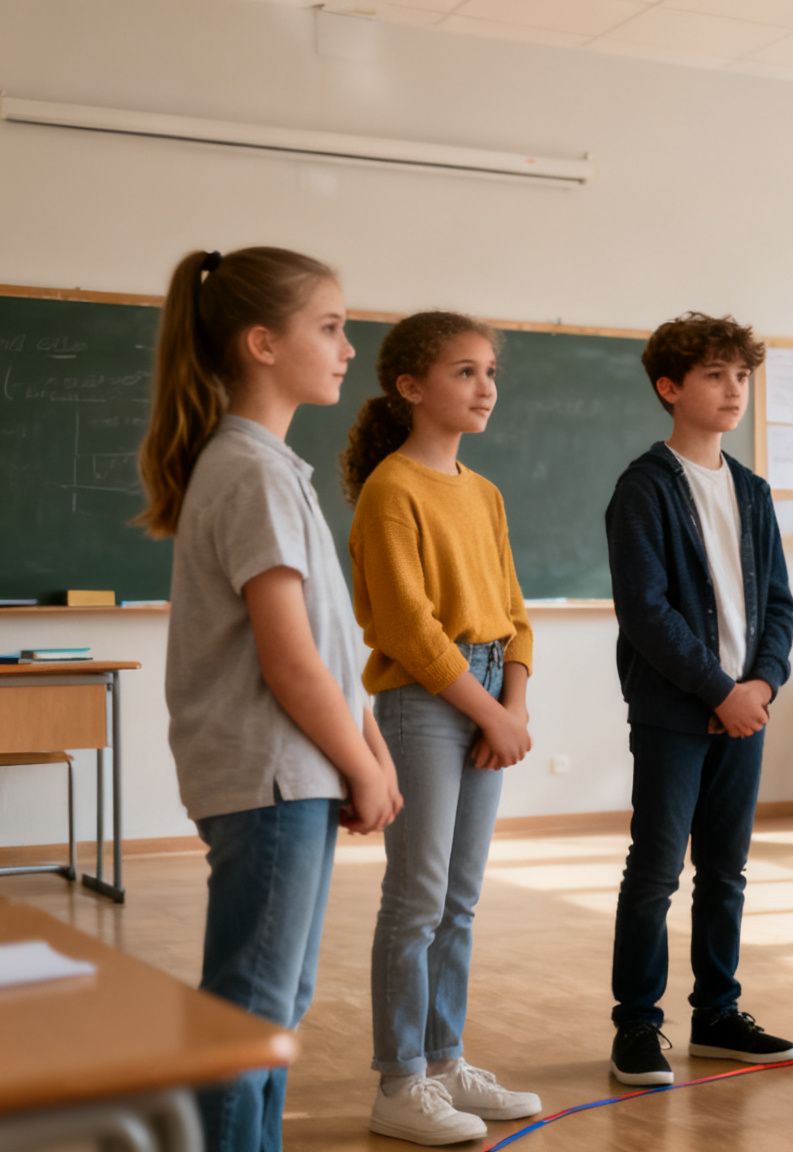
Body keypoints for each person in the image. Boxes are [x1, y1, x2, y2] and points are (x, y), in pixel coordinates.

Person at [138, 246, 402, 1151]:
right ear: (260, 342)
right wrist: (361, 761)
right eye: (328, 326)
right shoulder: (248, 469)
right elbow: (290, 664)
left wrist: (370, 742)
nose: (345, 345)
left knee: (271, 1005)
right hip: (273, 776)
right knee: (250, 1013)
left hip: (289, 774)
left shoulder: (272, 466)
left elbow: (326, 639)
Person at [343, 311, 542, 1144]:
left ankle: (445, 1058)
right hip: (431, 703)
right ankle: (401, 1082)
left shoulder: (484, 492)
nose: (485, 387)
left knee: (460, 900)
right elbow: (409, 629)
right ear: (411, 387)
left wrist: (515, 706)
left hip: (490, 696)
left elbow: (515, 614)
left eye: (490, 371)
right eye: (465, 372)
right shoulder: (393, 489)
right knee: (417, 898)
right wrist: (489, 709)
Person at [607, 311, 793, 1086]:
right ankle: (637, 1027)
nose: (732, 391)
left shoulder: (751, 492)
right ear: (670, 387)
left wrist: (762, 685)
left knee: (727, 869)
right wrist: (720, 690)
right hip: (675, 713)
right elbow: (646, 612)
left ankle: (717, 1013)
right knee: (656, 870)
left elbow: (779, 605)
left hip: (744, 712)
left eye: (742, 377)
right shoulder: (644, 488)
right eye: (715, 376)